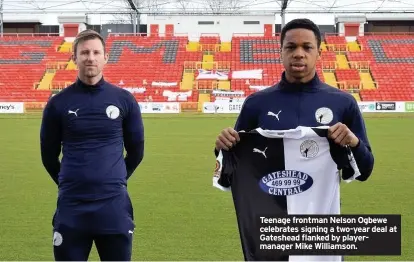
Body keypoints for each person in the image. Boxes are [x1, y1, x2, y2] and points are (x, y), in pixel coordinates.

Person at [213, 18, 374, 260]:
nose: (298, 54)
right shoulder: (257, 104)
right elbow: (231, 170)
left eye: (307, 47)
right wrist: (222, 147)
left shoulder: (343, 103)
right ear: (280, 52)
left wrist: (354, 143)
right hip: (271, 229)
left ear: (318, 53)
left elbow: (365, 170)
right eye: (291, 47)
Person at [40, 29, 144, 261]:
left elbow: (137, 150)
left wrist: (114, 179)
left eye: (96, 52)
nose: (91, 57)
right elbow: (48, 156)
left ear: (105, 57)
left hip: (114, 205)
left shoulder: (124, 100)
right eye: (84, 52)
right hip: (72, 206)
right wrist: (70, 181)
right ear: (74, 58)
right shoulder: (58, 104)